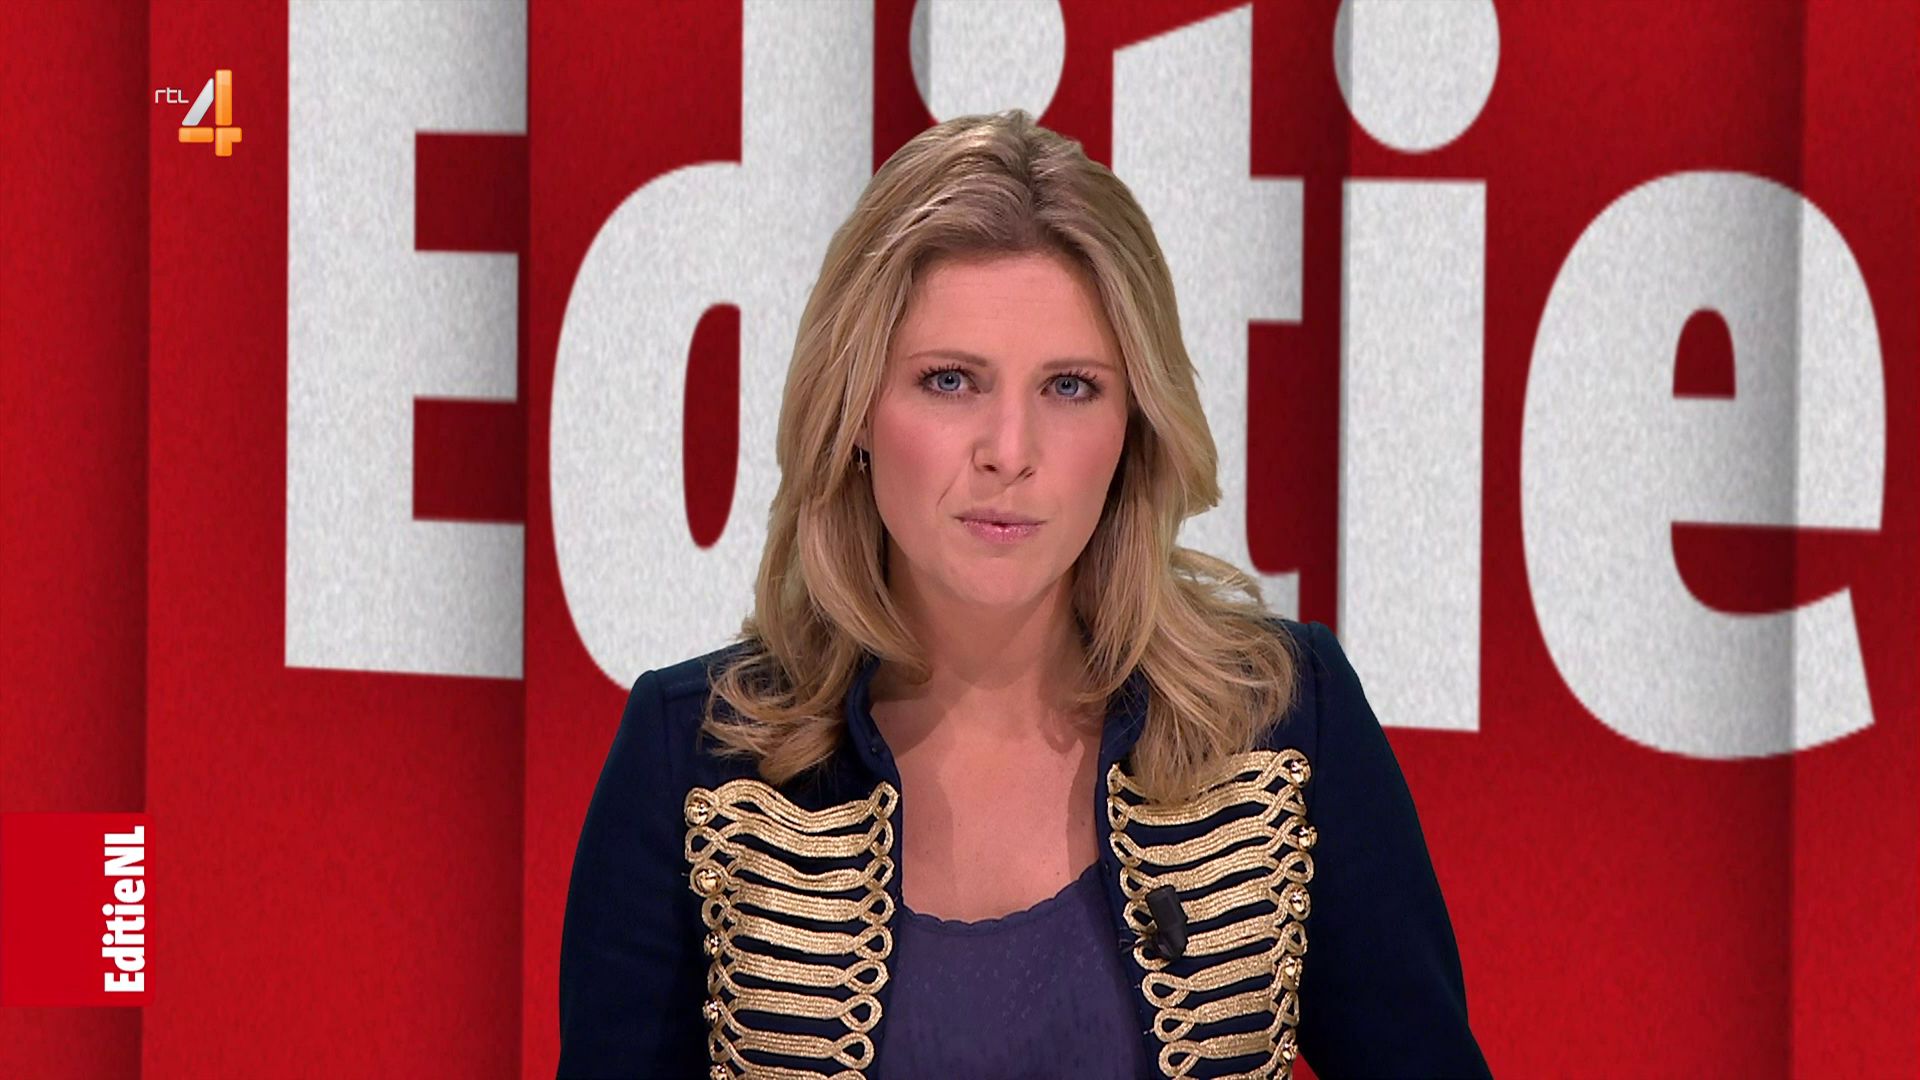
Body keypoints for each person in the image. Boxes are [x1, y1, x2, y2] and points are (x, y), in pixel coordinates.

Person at [557, 108, 1490, 1079]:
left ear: (1134, 424)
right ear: (857, 410)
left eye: (1070, 387)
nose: (1010, 451)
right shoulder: (693, 757)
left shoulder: (1284, 716)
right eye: (951, 380)